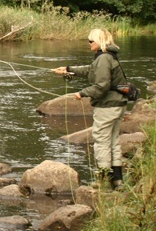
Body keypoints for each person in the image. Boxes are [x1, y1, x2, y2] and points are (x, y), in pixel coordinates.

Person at [52, 28, 128, 190]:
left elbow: (102, 86)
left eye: (91, 41)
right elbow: (90, 71)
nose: (89, 43)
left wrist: (82, 93)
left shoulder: (103, 59)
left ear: (99, 42)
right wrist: (69, 69)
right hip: (118, 104)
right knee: (113, 141)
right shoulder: (108, 57)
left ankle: (103, 181)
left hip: (107, 107)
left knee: (101, 142)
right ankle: (117, 181)